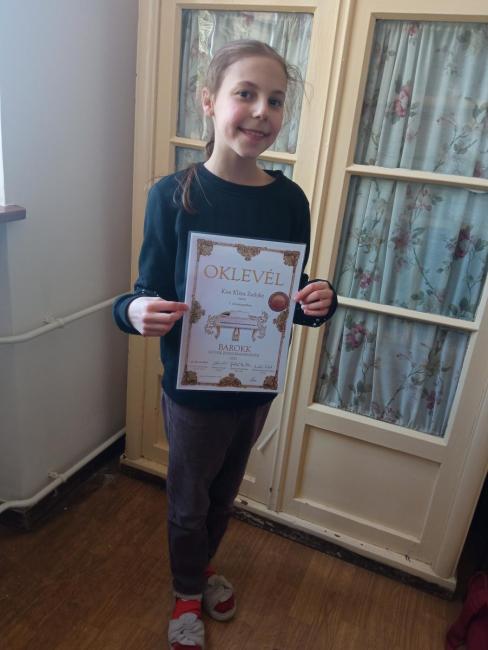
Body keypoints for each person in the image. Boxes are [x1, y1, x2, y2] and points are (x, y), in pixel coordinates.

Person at [113, 39, 338, 650]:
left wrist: (319, 300)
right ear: (209, 101)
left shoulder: (290, 200)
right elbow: (144, 293)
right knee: (188, 501)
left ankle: (202, 566)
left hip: (253, 388)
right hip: (191, 393)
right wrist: (133, 311)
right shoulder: (172, 195)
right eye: (246, 94)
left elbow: (288, 297)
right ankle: (187, 590)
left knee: (222, 497)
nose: (262, 111)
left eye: (276, 100)